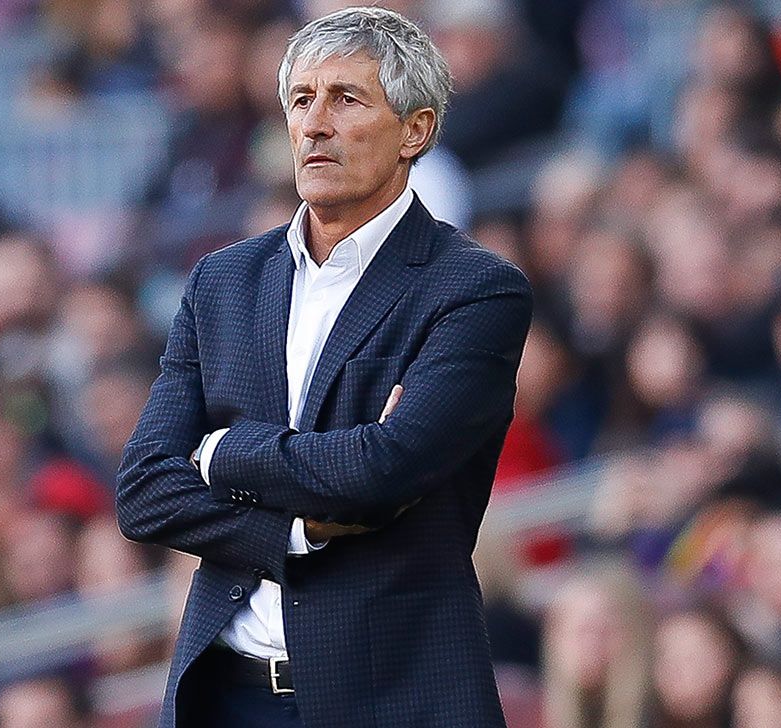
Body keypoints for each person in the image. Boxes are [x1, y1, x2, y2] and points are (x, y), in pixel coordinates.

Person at [116, 7, 533, 727]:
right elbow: (145, 490)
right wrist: (294, 531)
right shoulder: (222, 282)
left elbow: (382, 471)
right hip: (227, 697)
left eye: (346, 99)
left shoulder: (475, 289)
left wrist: (219, 452)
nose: (314, 124)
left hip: (393, 699)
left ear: (415, 131)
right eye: (301, 100)